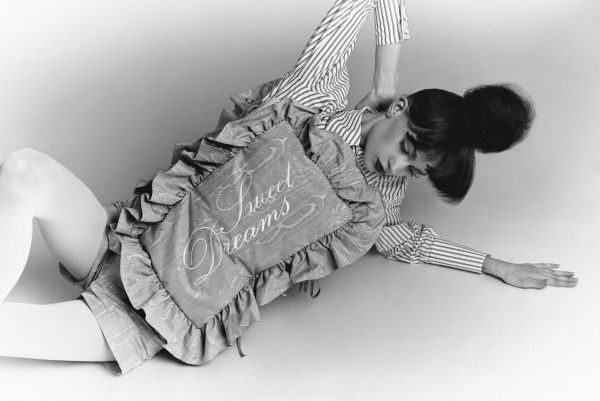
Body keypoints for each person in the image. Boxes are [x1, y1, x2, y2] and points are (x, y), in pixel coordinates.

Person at [0, 0, 577, 374]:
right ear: (398, 110)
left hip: (154, 315)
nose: (399, 169)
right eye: (406, 148)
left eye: (416, 171)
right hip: (120, 240)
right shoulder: (310, 99)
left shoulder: (374, 207)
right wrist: (384, 78)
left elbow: (411, 242)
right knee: (25, 169)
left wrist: (493, 265)